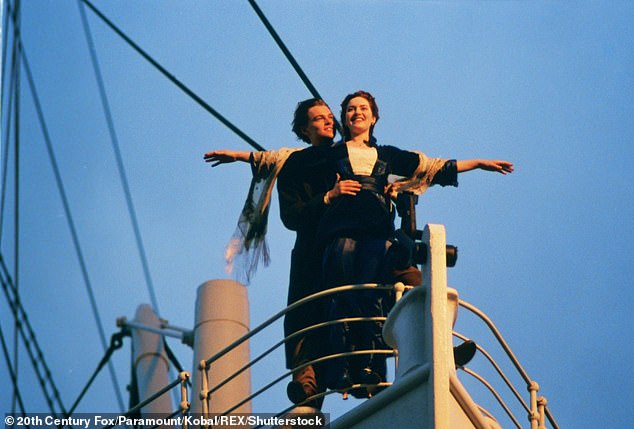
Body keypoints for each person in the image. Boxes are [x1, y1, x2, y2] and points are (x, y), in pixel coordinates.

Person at [318, 90, 513, 397]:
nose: (357, 113)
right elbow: (294, 169)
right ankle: (341, 368)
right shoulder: (328, 156)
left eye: (363, 108)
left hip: (376, 232)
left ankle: (372, 366)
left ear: (374, 116)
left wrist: (476, 163)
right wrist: (329, 193)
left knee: (374, 296)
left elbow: (431, 166)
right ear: (344, 118)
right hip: (341, 231)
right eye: (351, 109)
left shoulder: (388, 155)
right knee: (343, 296)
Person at [205, 98, 338, 409]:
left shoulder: (351, 156)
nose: (329, 122)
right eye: (319, 119)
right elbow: (291, 214)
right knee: (305, 309)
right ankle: (307, 385)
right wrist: (328, 198)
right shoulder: (295, 164)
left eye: (331, 117)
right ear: (305, 129)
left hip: (348, 244)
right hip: (312, 248)